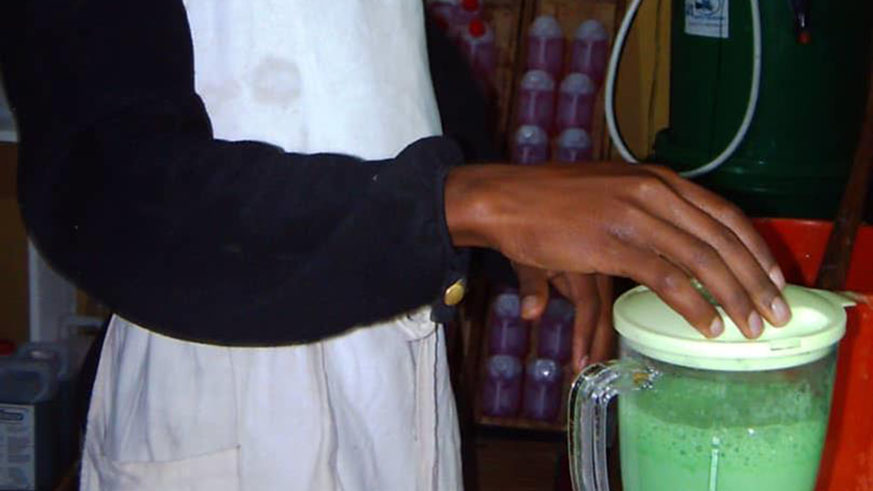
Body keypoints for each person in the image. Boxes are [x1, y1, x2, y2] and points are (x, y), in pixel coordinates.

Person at [0, 1, 790, 490]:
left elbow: (384, 56)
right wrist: (463, 204)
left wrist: (495, 200)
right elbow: (116, 196)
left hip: (394, 373)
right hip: (227, 400)